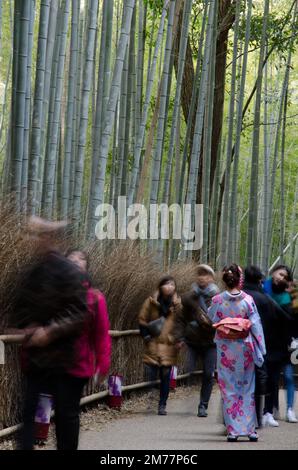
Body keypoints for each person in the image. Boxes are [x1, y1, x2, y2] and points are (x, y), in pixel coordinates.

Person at [12, 219, 111, 450]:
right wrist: (27, 326)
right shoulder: (32, 273)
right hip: (36, 359)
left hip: (69, 360)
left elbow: (80, 315)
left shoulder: (71, 275)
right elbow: (19, 309)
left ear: (54, 238)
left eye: (41, 235)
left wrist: (50, 331)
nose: (36, 240)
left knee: (66, 417)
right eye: (33, 235)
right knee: (27, 414)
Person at [207, 264, 266, 442]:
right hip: (244, 348)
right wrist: (261, 349)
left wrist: (226, 322)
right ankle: (250, 430)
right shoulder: (248, 300)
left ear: (224, 279)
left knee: (228, 390)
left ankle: (232, 430)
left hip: (226, 349)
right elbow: (255, 325)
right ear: (239, 279)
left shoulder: (217, 300)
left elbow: (212, 318)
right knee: (247, 388)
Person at [138, 275, 181, 416]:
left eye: (172, 284)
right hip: (153, 342)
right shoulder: (151, 302)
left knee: (165, 375)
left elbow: (182, 322)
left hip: (169, 343)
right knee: (151, 372)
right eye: (166, 284)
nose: (169, 287)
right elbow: (142, 319)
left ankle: (162, 404)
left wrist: (179, 338)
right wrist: (145, 335)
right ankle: (152, 397)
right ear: (160, 286)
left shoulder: (178, 304)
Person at [174, 289, 217, 418]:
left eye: (206, 275)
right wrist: (180, 339)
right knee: (189, 369)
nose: (203, 278)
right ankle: (190, 393)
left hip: (210, 344)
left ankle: (203, 405)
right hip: (192, 342)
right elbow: (180, 322)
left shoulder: (215, 300)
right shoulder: (189, 300)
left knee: (209, 374)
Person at [263, 265, 298, 424]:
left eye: (285, 277)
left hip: (291, 342)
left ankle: (290, 409)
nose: (281, 278)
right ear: (273, 272)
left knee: (289, 377)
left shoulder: (291, 297)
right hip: (271, 342)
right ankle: (272, 408)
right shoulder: (263, 288)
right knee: (273, 377)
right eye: (280, 274)